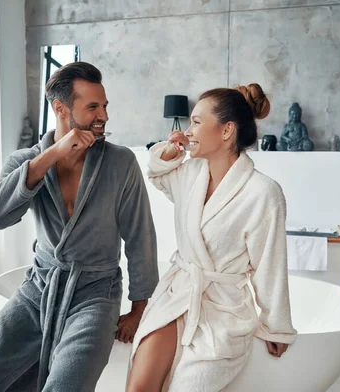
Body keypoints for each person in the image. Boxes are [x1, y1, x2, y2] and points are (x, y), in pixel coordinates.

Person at [0, 62, 159, 392]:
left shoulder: (120, 162)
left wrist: (139, 308)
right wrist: (49, 157)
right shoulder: (26, 161)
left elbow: (140, 236)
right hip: (38, 290)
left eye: (104, 105)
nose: (103, 115)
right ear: (61, 109)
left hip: (96, 293)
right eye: (92, 106)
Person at [127, 84, 297, 391]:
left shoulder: (263, 193)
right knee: (138, 386)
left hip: (223, 311)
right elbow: (157, 172)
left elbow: (270, 265)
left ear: (226, 130)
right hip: (177, 295)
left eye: (196, 121)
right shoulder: (189, 174)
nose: (188, 130)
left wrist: (276, 327)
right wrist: (169, 153)